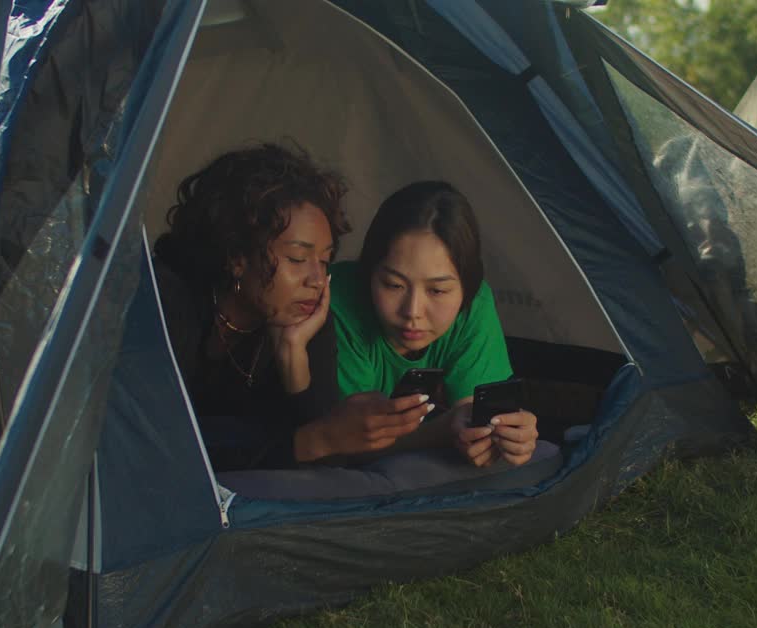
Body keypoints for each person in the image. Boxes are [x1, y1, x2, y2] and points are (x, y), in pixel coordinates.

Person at [152, 143, 431, 471]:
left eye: (325, 259)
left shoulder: (305, 318)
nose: (316, 278)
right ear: (237, 257)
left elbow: (326, 468)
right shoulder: (167, 306)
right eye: (298, 259)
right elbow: (156, 453)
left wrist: (293, 357)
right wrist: (313, 441)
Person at [329, 180, 540, 467]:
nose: (413, 312)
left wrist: (499, 437)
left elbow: (471, 411)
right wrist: (444, 431)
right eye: (393, 285)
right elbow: (348, 444)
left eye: (438, 291)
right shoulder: (338, 298)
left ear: (466, 285)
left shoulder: (473, 303)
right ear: (368, 273)